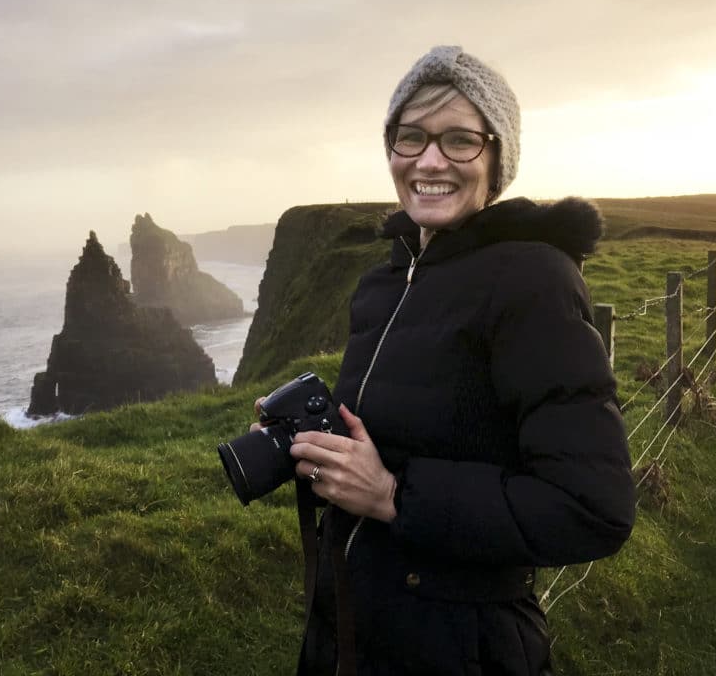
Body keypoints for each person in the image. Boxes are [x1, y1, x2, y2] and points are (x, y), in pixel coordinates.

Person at [256, 45, 635, 675]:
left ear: (495, 160)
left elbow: (593, 508)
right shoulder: (385, 283)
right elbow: (391, 439)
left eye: (460, 140)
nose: (430, 160)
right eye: (412, 137)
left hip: (463, 649)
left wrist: (394, 496)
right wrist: (315, 451)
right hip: (348, 632)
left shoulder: (533, 280)